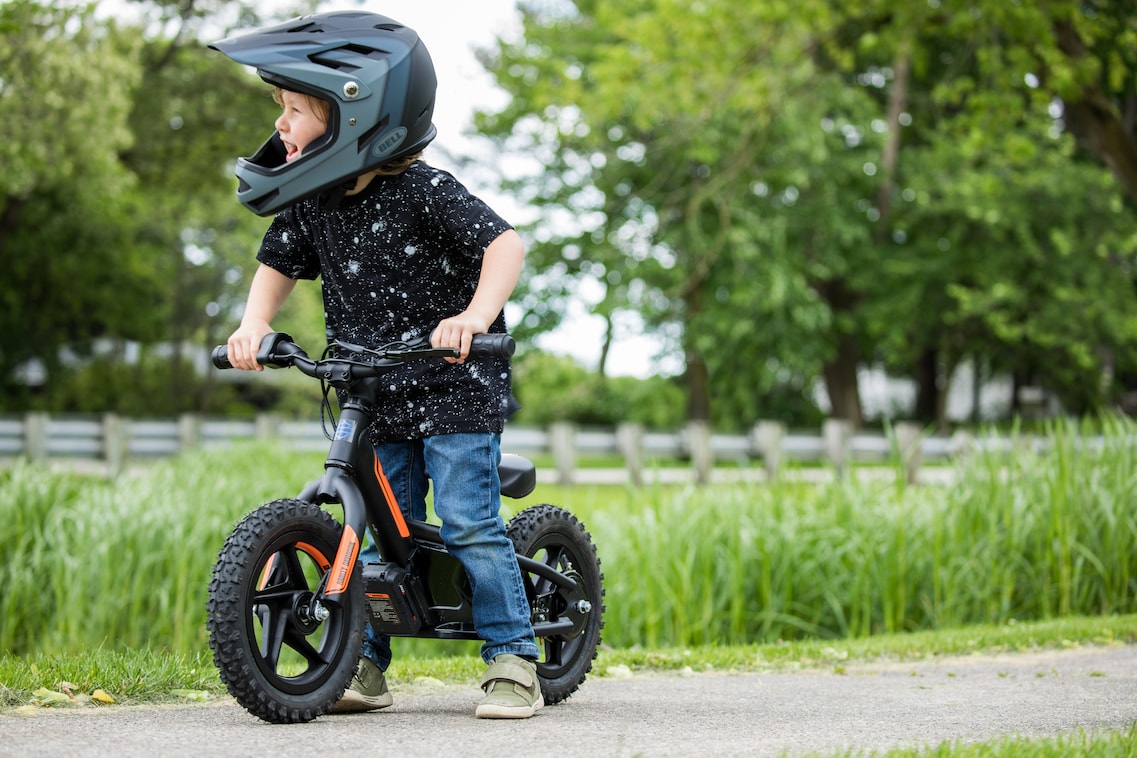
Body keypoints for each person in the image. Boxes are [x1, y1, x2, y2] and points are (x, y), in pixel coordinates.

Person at [210, 11, 543, 719]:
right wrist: (253, 325)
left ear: (357, 119)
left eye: (296, 112)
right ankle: (362, 663)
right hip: (375, 387)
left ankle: (513, 659)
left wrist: (474, 318)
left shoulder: (424, 190)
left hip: (454, 382)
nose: (282, 129)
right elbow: (276, 266)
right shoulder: (313, 202)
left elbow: (504, 246)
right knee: (371, 530)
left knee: (466, 522)